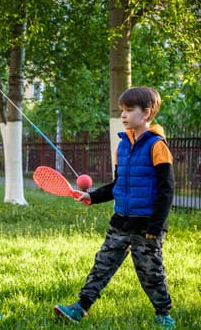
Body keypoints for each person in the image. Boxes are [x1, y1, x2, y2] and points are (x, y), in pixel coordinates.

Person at [54, 87, 176, 328]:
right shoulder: (122, 146)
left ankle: (163, 313)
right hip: (120, 221)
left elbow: (167, 188)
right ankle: (80, 308)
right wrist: (92, 196)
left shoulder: (157, 146)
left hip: (146, 226)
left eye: (129, 110)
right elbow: (118, 184)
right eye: (122, 110)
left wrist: (156, 224)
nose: (123, 115)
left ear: (147, 113)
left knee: (150, 272)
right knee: (102, 265)